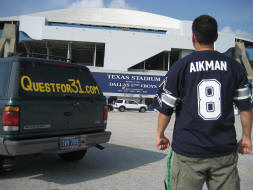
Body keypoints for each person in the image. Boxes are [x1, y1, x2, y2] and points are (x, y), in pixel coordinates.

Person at [152, 15, 252, 190]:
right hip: (224, 152)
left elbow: (166, 109)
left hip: (188, 152)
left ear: (193, 37)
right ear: (216, 37)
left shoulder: (180, 67)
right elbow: (245, 107)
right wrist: (246, 137)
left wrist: (160, 134)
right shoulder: (235, 67)